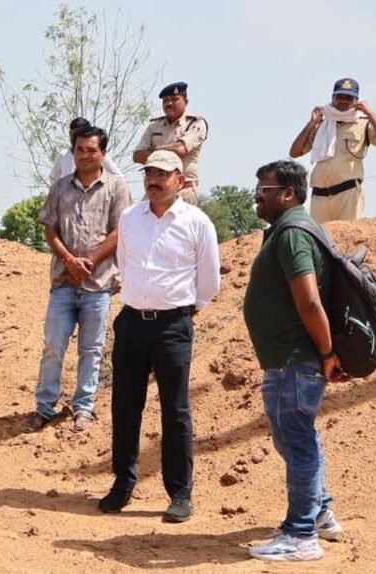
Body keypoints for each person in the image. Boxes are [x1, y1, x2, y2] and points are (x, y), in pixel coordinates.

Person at [99, 150, 220, 523]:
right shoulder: (129, 218)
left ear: (180, 181)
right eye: (149, 172)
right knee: (125, 405)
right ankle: (123, 483)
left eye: (162, 174)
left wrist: (184, 311)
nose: (153, 179)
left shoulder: (197, 222)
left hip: (173, 327)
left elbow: (209, 280)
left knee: (175, 410)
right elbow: (124, 263)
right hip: (132, 323)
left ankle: (180, 493)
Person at [244, 160, 348, 561]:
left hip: (294, 360)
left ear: (288, 193)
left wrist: (326, 353)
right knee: (297, 437)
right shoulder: (293, 229)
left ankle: (300, 536)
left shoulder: (291, 234)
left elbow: (309, 302)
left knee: (297, 441)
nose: (257, 195)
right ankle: (320, 513)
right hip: (290, 359)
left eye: (264, 189)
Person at [26, 126, 131, 433]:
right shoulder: (60, 187)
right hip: (63, 282)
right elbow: (50, 228)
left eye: (91, 150)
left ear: (103, 154)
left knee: (91, 350)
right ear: (73, 152)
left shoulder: (116, 187)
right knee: (53, 347)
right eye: (79, 150)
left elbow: (119, 231)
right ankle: (44, 407)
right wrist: (69, 260)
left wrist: (91, 261)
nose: (85, 155)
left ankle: (83, 407)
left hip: (98, 285)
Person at [288, 77, 376, 223]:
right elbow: (295, 152)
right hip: (319, 196)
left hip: (348, 193)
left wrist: (370, 113)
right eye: (339, 96)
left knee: (347, 235)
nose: (343, 101)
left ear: (357, 101)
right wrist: (312, 123)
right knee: (319, 237)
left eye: (348, 97)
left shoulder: (363, 123)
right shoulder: (322, 124)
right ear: (332, 97)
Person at [133, 82, 208, 205]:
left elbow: (180, 150)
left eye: (174, 99)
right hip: (155, 190)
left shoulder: (195, 124)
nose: (169, 103)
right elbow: (137, 156)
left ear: (186, 102)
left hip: (182, 190)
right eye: (166, 100)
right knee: (136, 215)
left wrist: (153, 150)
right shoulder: (154, 126)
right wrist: (168, 149)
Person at [47, 118, 123, 184]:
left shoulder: (98, 155)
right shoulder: (63, 155)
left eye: (79, 135)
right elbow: (53, 178)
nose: (75, 138)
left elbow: (118, 177)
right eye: (73, 135)